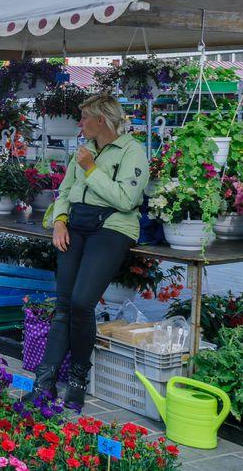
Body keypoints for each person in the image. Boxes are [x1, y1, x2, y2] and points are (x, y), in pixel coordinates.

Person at [25, 94, 149, 409]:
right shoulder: (82, 152)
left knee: (82, 302)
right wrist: (59, 222)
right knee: (64, 304)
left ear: (101, 121)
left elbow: (124, 199)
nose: (79, 124)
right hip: (76, 225)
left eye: (84, 118)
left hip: (113, 227)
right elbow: (65, 191)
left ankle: (79, 378)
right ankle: (45, 381)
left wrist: (92, 169)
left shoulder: (132, 152)